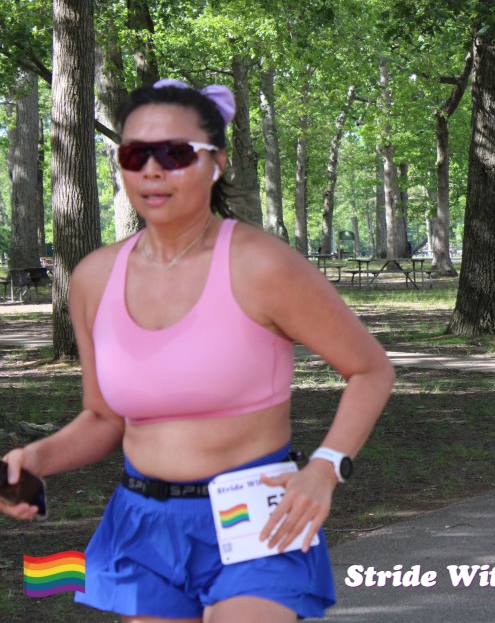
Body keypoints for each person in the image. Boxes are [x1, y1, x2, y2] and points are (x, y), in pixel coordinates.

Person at [0, 79, 394, 621]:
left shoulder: (263, 265)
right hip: (143, 525)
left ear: (216, 164)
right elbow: (103, 418)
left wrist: (326, 468)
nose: (152, 170)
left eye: (175, 154)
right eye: (135, 155)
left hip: (255, 517)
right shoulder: (93, 278)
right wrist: (34, 460)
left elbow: (370, 370)